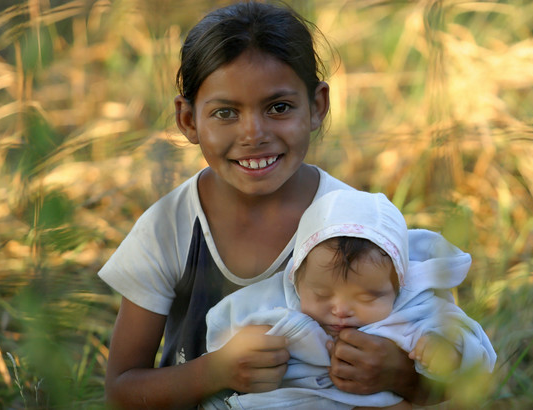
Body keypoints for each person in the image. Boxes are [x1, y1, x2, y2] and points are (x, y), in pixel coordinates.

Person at [99, 2, 462, 408]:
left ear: (318, 106)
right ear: (188, 121)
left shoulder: (358, 226)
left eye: (279, 107)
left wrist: (404, 376)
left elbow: (457, 381)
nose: (253, 134)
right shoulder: (169, 228)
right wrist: (217, 370)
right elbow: (122, 391)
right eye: (225, 112)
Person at [203, 190, 497, 409]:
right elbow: (222, 323)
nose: (341, 310)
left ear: (399, 285)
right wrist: (235, 348)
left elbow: (470, 342)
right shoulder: (274, 301)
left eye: (368, 297)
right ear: (296, 278)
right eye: (321, 294)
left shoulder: (412, 310)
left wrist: (447, 351)